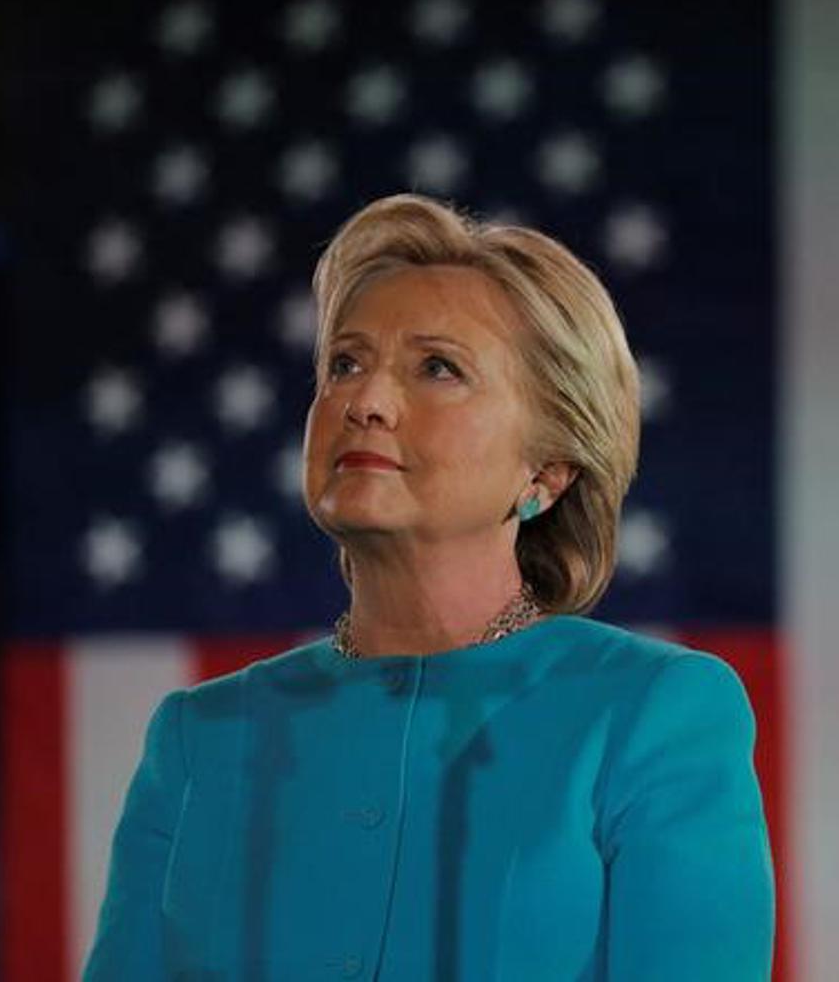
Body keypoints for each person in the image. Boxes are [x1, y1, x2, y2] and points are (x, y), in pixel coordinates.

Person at [82, 194, 775, 980]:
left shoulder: (649, 711)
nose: (364, 402)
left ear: (547, 472)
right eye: (344, 364)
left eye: (438, 368)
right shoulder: (198, 737)